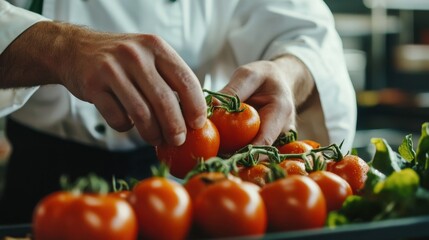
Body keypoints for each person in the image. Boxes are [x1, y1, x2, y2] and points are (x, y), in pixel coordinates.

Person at [0, 0, 356, 224]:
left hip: (192, 191)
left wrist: (289, 73)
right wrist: (58, 46)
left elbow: (304, 29)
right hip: (45, 192)